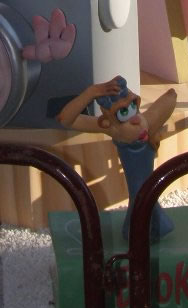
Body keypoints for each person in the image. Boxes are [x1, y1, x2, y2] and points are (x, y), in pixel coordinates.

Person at [57, 75, 176, 240]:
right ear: (106, 122)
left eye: (133, 106)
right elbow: (65, 119)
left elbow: (171, 97)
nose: (135, 120)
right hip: (136, 178)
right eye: (124, 112)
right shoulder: (111, 128)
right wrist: (91, 92)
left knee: (145, 195)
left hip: (145, 175)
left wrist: (153, 131)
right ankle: (142, 230)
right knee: (141, 195)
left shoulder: (145, 121)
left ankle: (147, 229)